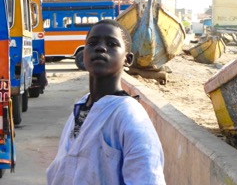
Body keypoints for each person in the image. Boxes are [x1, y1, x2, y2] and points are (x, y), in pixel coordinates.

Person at [46, 19, 166, 185]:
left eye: (111, 43)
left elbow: (147, 178)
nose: (100, 48)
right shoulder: (81, 108)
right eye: (92, 42)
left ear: (128, 59)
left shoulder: (129, 115)